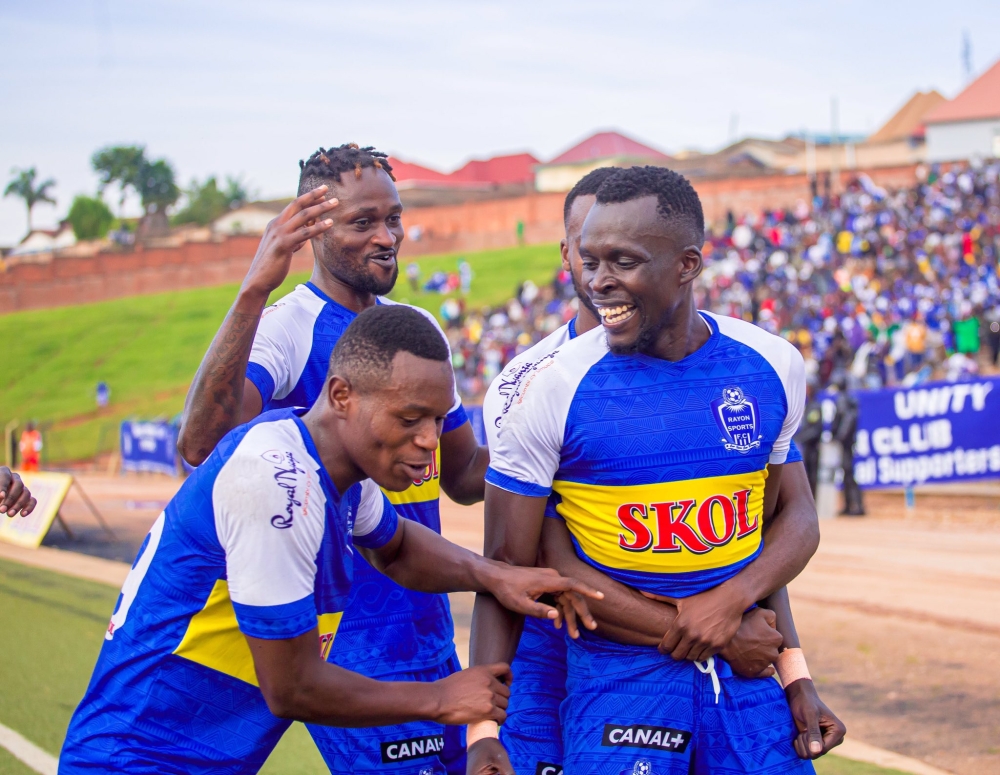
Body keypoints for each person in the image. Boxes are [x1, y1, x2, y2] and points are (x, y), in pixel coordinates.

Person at [60, 306, 600, 774]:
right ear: (341, 394)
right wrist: (440, 698)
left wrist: (497, 575)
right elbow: (291, 686)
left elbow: (396, 547)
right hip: (136, 759)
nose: (430, 442)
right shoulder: (275, 480)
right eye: (410, 418)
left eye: (437, 420)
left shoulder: (334, 472)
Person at [480, 169, 844, 774]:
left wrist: (788, 665)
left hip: (747, 674)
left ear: (688, 264)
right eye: (589, 260)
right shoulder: (546, 388)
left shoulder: (772, 365)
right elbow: (516, 567)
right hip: (618, 678)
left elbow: (783, 521)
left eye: (622, 261)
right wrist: (482, 728)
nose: (599, 282)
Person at [177, 144, 490, 774]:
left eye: (393, 218)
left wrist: (555, 450)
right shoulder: (288, 326)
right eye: (362, 222)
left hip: (426, 626)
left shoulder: (414, 326)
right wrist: (253, 288)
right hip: (352, 643)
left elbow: (460, 476)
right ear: (313, 229)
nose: (387, 237)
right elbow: (201, 445)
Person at [830, 375, 864, 516]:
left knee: (849, 474)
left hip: (845, 443)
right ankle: (849, 505)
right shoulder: (847, 399)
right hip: (848, 443)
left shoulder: (842, 400)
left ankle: (857, 506)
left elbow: (846, 421)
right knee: (847, 474)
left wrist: (839, 437)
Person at [795, 380, 824, 497]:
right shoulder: (807, 406)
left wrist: (800, 439)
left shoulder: (815, 407)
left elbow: (815, 430)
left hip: (812, 448)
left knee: (812, 476)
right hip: (805, 448)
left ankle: (813, 503)